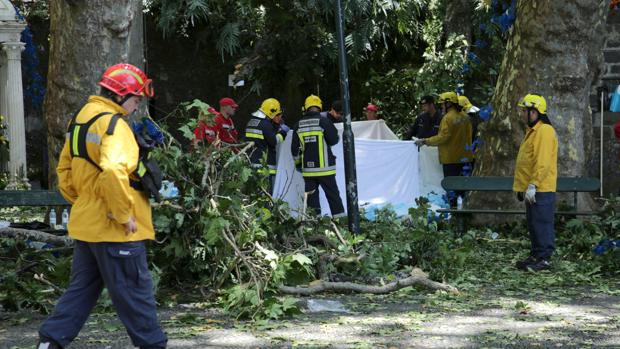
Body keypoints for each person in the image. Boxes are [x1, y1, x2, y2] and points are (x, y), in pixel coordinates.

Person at [37, 63, 167, 349]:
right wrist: (123, 214)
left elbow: (64, 169)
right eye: (136, 99)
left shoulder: (82, 117)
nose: (136, 106)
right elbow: (112, 170)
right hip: (115, 228)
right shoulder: (115, 125)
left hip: (88, 224)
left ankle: (49, 343)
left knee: (81, 291)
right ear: (120, 95)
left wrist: (84, 201)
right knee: (135, 293)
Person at [513, 94, 558, 271]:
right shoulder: (532, 132)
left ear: (535, 112)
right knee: (534, 223)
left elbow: (543, 161)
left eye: (525, 111)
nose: (522, 114)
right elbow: (527, 162)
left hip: (541, 188)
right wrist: (522, 187)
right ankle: (536, 255)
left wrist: (534, 184)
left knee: (542, 223)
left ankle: (544, 259)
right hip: (532, 187)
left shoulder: (544, 131)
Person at [415, 92, 474, 207]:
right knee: (464, 190)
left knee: (451, 190)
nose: (441, 107)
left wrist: (425, 141)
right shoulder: (465, 117)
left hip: (450, 159)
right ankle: (464, 214)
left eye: (443, 104)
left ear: (448, 104)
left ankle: (454, 214)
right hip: (466, 159)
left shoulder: (447, 118)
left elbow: (443, 137)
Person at [292, 94, 345, 216]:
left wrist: (299, 165)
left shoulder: (298, 125)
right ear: (319, 107)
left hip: (309, 171)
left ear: (305, 108)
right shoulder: (324, 122)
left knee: (312, 201)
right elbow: (334, 140)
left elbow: (295, 150)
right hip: (326, 170)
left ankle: (315, 227)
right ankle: (341, 225)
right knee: (333, 197)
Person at [244, 98, 286, 193]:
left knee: (254, 196)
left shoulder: (251, 122)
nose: (279, 117)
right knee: (266, 198)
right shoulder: (265, 124)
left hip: (251, 165)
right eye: (277, 114)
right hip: (265, 167)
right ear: (271, 112)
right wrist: (282, 133)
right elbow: (274, 141)